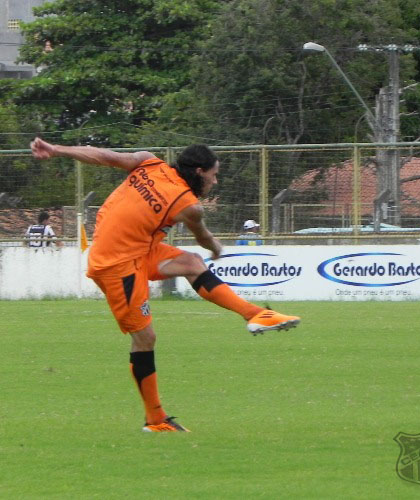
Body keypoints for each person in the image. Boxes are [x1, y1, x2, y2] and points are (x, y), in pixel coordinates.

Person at [30, 137, 301, 432]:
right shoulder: (188, 204)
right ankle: (156, 420)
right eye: (214, 174)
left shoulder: (150, 162)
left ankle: (255, 314)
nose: (216, 181)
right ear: (199, 172)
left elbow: (104, 155)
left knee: (192, 264)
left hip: (138, 250)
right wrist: (217, 249)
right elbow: (203, 236)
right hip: (116, 265)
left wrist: (58, 150)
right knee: (144, 338)